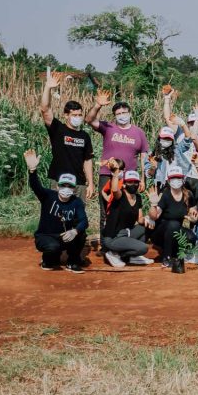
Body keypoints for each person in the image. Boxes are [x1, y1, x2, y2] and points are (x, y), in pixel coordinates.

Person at [85, 88, 149, 232]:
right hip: (107, 174)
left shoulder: (139, 132)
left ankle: (123, 243)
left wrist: (143, 179)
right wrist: (98, 105)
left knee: (126, 210)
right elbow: (89, 120)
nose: (122, 115)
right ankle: (106, 244)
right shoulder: (108, 127)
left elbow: (143, 156)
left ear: (130, 113)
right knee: (106, 210)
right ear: (114, 116)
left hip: (129, 179)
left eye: (124, 112)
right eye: (118, 114)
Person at [25, 149, 88, 273]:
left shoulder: (77, 202)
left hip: (65, 236)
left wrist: (75, 231)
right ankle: (47, 261)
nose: (66, 188)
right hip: (46, 236)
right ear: (58, 186)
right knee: (53, 248)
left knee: (81, 234)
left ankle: (73, 262)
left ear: (74, 189)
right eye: (63, 185)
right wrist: (32, 171)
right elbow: (35, 186)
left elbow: (84, 221)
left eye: (70, 186)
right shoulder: (48, 196)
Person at [40, 70, 95, 200]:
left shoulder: (84, 136)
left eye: (80, 115)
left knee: (77, 216)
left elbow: (87, 161)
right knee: (57, 215)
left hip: (79, 183)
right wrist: (48, 87)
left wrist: (91, 183)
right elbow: (45, 109)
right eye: (74, 115)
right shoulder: (58, 129)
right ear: (66, 115)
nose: (78, 118)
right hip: (59, 180)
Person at [147, 165, 198, 273]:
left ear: (183, 179)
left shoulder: (188, 195)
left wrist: (193, 218)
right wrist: (153, 204)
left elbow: (193, 211)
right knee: (173, 224)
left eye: (178, 178)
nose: (176, 180)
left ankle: (177, 254)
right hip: (161, 232)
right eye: (173, 178)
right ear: (168, 180)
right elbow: (155, 216)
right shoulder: (165, 194)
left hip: (176, 232)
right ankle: (166, 258)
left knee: (191, 237)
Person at [101, 169, 152, 267]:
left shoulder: (138, 198)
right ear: (124, 184)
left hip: (126, 233)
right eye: (130, 182)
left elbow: (140, 219)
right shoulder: (121, 196)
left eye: (135, 182)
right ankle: (113, 253)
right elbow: (115, 190)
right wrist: (115, 173)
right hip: (113, 236)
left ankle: (132, 257)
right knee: (143, 248)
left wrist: (149, 218)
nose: (133, 184)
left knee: (148, 227)